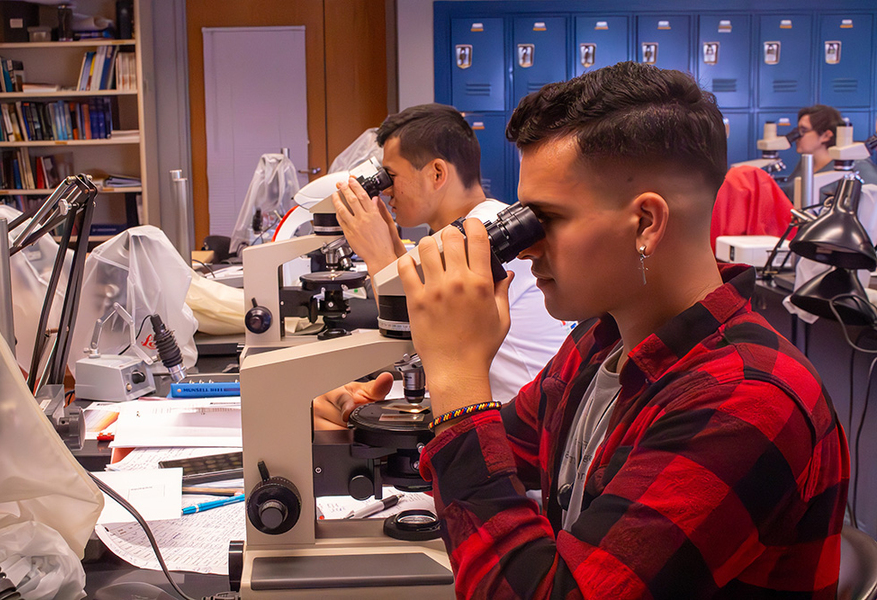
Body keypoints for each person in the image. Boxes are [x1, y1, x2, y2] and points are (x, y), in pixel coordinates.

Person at [322, 62, 849, 597]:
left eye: (545, 219)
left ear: (646, 222)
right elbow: (505, 445)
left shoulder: (745, 400)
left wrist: (457, 370)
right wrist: (372, 417)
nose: (525, 247)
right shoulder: (603, 341)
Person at [321, 104, 570, 414]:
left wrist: (377, 254)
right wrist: (390, 247)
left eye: (391, 176)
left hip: (527, 427)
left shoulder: (484, 233)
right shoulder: (462, 229)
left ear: (437, 173)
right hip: (508, 410)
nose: (385, 192)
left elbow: (416, 329)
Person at [778, 104, 877, 200]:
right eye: (797, 130)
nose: (797, 137)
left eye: (803, 130)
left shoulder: (858, 166)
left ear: (826, 136)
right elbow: (789, 191)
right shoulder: (807, 162)